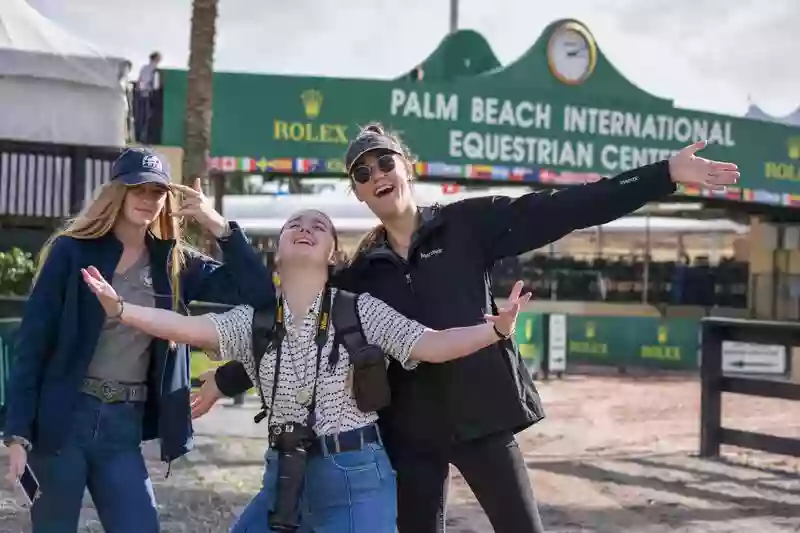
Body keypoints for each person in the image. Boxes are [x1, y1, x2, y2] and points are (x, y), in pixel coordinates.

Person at [196, 123, 740, 533]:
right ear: (358, 193)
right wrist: (224, 382)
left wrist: (663, 174)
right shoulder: (360, 276)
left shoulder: (465, 224)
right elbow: (295, 340)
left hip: (482, 419)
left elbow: (568, 206)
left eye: (384, 161)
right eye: (362, 173)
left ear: (406, 165)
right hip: (410, 433)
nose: (376, 175)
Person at [80, 208, 530, 533]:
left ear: (333, 255)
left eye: (319, 227)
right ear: (276, 254)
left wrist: (496, 332)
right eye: (294, 225)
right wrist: (122, 308)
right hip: (283, 473)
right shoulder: (252, 321)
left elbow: (431, 344)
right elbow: (185, 327)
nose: (305, 229)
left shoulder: (362, 311)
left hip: (356, 476)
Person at [2, 147, 275, 533]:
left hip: (123, 426)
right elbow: (33, 343)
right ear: (119, 192)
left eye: (156, 192)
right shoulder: (72, 251)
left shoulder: (175, 262)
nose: (148, 199)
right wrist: (16, 433)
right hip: (65, 417)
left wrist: (219, 227)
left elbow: (259, 294)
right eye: (138, 190)